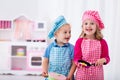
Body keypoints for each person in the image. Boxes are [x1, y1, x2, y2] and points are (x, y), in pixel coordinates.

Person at [70, 10, 110, 80]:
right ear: (82, 27)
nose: (88, 25)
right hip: (82, 74)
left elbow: (107, 58)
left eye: (92, 23)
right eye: (86, 23)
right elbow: (76, 58)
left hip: (97, 75)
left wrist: (103, 60)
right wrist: (78, 63)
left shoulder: (102, 42)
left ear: (96, 26)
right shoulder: (79, 42)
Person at [42, 15, 75, 80]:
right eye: (65, 32)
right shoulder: (50, 47)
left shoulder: (71, 48)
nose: (68, 35)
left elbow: (74, 63)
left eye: (69, 32)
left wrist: (70, 75)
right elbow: (45, 61)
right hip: (52, 77)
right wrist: (45, 71)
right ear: (56, 34)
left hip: (66, 77)